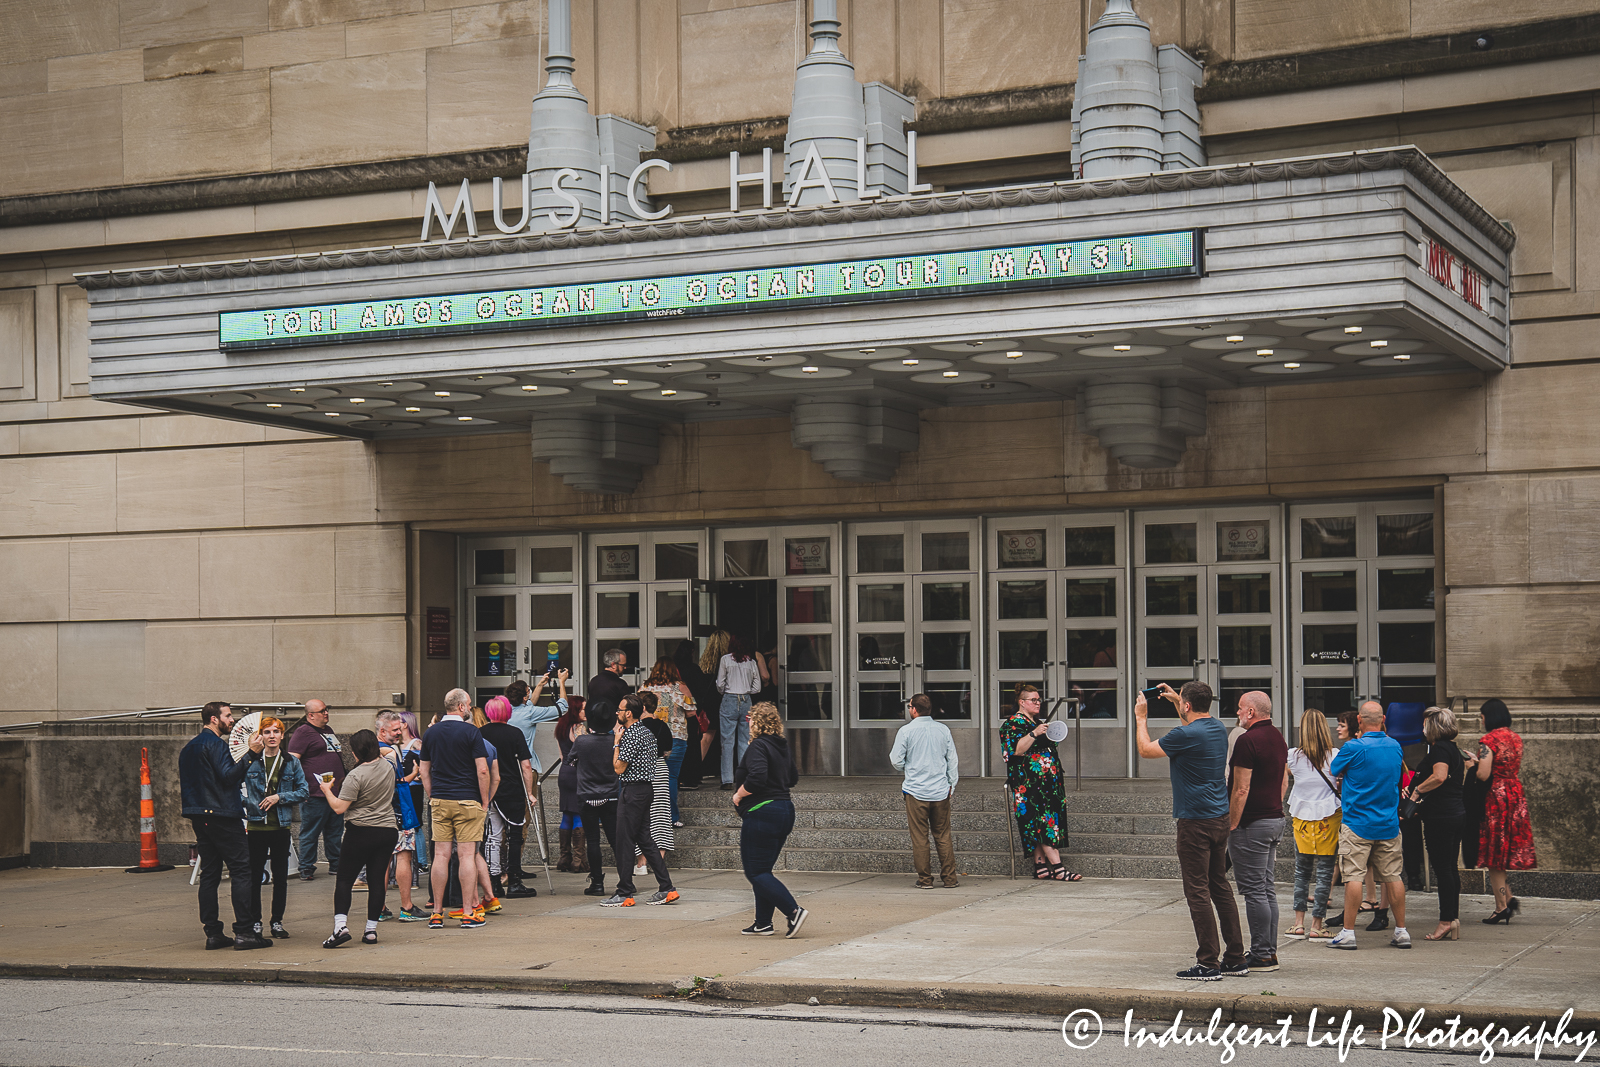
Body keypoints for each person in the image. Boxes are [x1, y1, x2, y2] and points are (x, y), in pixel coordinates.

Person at [1135, 681, 1246, 981]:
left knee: (1197, 890)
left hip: (1194, 821)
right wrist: (1175, 700)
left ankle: (1208, 962)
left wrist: (1141, 717)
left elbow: (1145, 751)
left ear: (1186, 705)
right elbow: (1190, 718)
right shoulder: (1217, 727)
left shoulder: (1183, 735)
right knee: (1219, 886)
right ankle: (1235, 958)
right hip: (1219, 818)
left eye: (1182, 702)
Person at [179, 701, 269, 950]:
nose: (233, 721)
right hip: (222, 814)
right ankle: (244, 931)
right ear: (214, 719)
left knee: (210, 873)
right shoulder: (216, 744)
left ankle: (213, 932)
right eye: (228, 716)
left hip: (199, 815)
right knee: (242, 870)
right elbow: (228, 776)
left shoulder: (189, 748)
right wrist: (251, 753)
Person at [1327, 700, 1411, 950]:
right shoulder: (1395, 746)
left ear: (1360, 722)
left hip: (1357, 823)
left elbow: (1334, 769)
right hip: (1388, 822)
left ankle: (1349, 933)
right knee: (1393, 876)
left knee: (1353, 877)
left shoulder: (1354, 747)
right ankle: (1401, 931)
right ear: (1383, 719)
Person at [315, 729, 398, 947]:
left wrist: (326, 790)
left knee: (344, 879)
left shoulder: (356, 775)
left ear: (354, 753)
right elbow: (389, 750)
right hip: (387, 830)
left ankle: (340, 926)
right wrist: (372, 747)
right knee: (377, 880)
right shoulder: (389, 764)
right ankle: (371, 930)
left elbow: (339, 808)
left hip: (361, 831)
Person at [1226, 690, 1288, 972]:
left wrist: (1232, 823)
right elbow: (1284, 778)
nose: (1237, 713)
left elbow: (1240, 788)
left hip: (1252, 823)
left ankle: (1262, 954)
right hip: (1274, 818)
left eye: (1240, 709)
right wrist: (1276, 803)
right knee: (1266, 889)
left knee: (1254, 891)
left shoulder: (1247, 740)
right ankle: (1269, 952)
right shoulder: (1277, 736)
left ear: (1251, 712)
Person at [419, 688, 491, 929]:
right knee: (466, 855)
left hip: (440, 799)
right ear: (461, 707)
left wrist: (432, 795)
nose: (470, 708)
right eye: (468, 704)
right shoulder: (471, 732)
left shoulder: (430, 733)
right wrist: (484, 801)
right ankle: (469, 912)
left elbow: (423, 770)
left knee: (440, 856)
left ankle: (437, 912)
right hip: (467, 799)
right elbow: (482, 770)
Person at [734, 701, 806, 937]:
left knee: (755, 872)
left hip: (762, 811)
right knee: (763, 870)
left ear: (756, 722)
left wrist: (738, 795)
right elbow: (792, 777)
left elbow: (757, 779)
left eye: (750, 719)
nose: (749, 723)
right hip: (784, 810)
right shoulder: (781, 745)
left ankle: (793, 911)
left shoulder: (758, 746)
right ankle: (763, 923)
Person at [602, 693, 680, 907]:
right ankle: (667, 888)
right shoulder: (646, 733)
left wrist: (616, 742)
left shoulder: (631, 735)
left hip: (632, 791)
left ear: (628, 713)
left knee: (625, 841)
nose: (617, 712)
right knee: (645, 839)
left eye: (619, 709)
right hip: (646, 790)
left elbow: (618, 767)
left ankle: (624, 892)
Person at [999, 684, 1079, 881]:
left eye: (1039, 700)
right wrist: (1034, 733)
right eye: (1033, 700)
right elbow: (1016, 750)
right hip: (1028, 784)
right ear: (1022, 702)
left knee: (1038, 822)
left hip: (1047, 784)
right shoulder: (1012, 724)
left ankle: (1041, 866)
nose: (1038, 703)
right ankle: (1058, 868)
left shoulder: (1037, 721)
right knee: (1041, 822)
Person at [1470, 698, 1537, 923]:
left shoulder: (1488, 740)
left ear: (1490, 716)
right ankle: (1507, 898)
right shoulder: (1516, 738)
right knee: (1502, 852)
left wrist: (1473, 764)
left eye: (1482, 716)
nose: (1481, 720)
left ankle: (1501, 906)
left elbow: (1483, 774)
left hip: (1496, 798)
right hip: (1515, 795)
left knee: (1494, 855)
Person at [1404, 706, 1466, 941]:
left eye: (1425, 723)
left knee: (1443, 869)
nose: (1422, 727)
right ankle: (1452, 917)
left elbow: (1439, 776)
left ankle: (1445, 921)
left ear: (1434, 727)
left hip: (1441, 817)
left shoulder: (1440, 749)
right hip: (1455, 814)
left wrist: (1416, 791)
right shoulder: (1453, 750)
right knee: (1450, 868)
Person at [243, 715, 308, 939]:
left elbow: (303, 791)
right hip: (256, 826)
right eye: (267, 732)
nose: (272, 736)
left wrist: (279, 797)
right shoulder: (251, 760)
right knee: (254, 877)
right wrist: (249, 804)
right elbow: (233, 788)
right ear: (260, 736)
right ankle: (255, 921)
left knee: (280, 878)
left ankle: (277, 921)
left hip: (280, 827)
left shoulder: (291, 762)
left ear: (282, 735)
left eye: (276, 732)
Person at [890, 693, 960, 889]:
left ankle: (925, 880)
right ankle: (950, 879)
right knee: (943, 835)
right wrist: (951, 785)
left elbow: (896, 760)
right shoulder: (943, 730)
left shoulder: (906, 731)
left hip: (915, 790)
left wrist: (908, 767)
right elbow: (952, 760)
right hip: (940, 791)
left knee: (920, 837)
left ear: (914, 709)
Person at [1283, 709, 1340, 940]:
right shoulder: (1335, 755)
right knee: (1325, 873)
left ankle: (1298, 924)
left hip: (1302, 818)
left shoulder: (1292, 756)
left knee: (1301, 872)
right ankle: (1317, 925)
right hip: (1329, 817)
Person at [480, 695, 535, 902]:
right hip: (512, 789)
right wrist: (529, 792)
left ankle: (494, 881)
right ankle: (514, 880)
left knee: (494, 836)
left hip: (490, 790)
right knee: (515, 835)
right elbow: (526, 765)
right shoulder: (515, 733)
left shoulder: (480, 733)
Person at [375, 711, 426, 921]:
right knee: (403, 855)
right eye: (395, 729)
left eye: (400, 728)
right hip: (397, 811)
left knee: (382, 861)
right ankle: (406, 907)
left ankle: (379, 907)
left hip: (380, 812)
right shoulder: (388, 753)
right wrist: (414, 774)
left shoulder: (371, 750)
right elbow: (394, 783)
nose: (399, 732)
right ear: (382, 730)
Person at [287, 698, 345, 881]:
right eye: (322, 711)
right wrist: (300, 787)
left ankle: (336, 864)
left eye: (326, 709)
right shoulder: (303, 732)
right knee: (310, 831)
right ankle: (306, 867)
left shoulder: (328, 730)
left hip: (334, 792)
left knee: (335, 831)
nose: (326, 713)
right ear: (310, 715)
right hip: (314, 793)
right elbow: (292, 761)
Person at [572, 701, 622, 897]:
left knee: (592, 840)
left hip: (587, 794)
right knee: (615, 839)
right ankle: (625, 879)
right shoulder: (615, 741)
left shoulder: (582, 741)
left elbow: (570, 761)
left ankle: (597, 882)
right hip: (610, 794)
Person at [641, 657, 694, 826]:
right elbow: (692, 712)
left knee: (648, 777)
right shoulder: (680, 687)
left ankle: (649, 816)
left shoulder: (646, 687)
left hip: (649, 735)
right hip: (675, 736)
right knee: (671, 777)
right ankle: (671, 817)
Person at [716, 634, 768, 790]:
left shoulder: (725, 660)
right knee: (745, 740)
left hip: (729, 699)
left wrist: (725, 691)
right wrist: (746, 692)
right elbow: (757, 687)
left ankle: (727, 779)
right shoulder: (751, 662)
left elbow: (720, 683)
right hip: (746, 700)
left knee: (727, 741)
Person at [637, 694, 676, 876]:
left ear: (643, 707)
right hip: (660, 768)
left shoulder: (636, 727)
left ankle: (641, 863)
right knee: (661, 814)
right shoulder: (662, 726)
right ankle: (658, 861)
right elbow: (668, 749)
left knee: (642, 814)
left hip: (641, 770)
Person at [553, 695, 589, 875]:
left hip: (564, 772)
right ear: (575, 710)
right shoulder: (579, 728)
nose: (586, 711)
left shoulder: (561, 727)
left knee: (567, 813)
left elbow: (562, 756)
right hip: (577, 773)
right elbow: (585, 752)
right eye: (583, 708)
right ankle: (578, 860)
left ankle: (564, 858)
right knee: (578, 814)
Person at [509, 669, 569, 775]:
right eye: (528, 690)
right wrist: (562, 682)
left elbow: (529, 703)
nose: (530, 692)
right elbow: (562, 708)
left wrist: (540, 685)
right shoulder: (530, 713)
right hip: (527, 765)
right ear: (524, 697)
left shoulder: (507, 710)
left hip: (510, 764)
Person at [673, 639, 715, 790]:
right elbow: (701, 692)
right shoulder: (694, 670)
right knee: (692, 745)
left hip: (675, 713)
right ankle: (691, 777)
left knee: (677, 744)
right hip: (691, 713)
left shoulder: (673, 669)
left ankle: (678, 777)